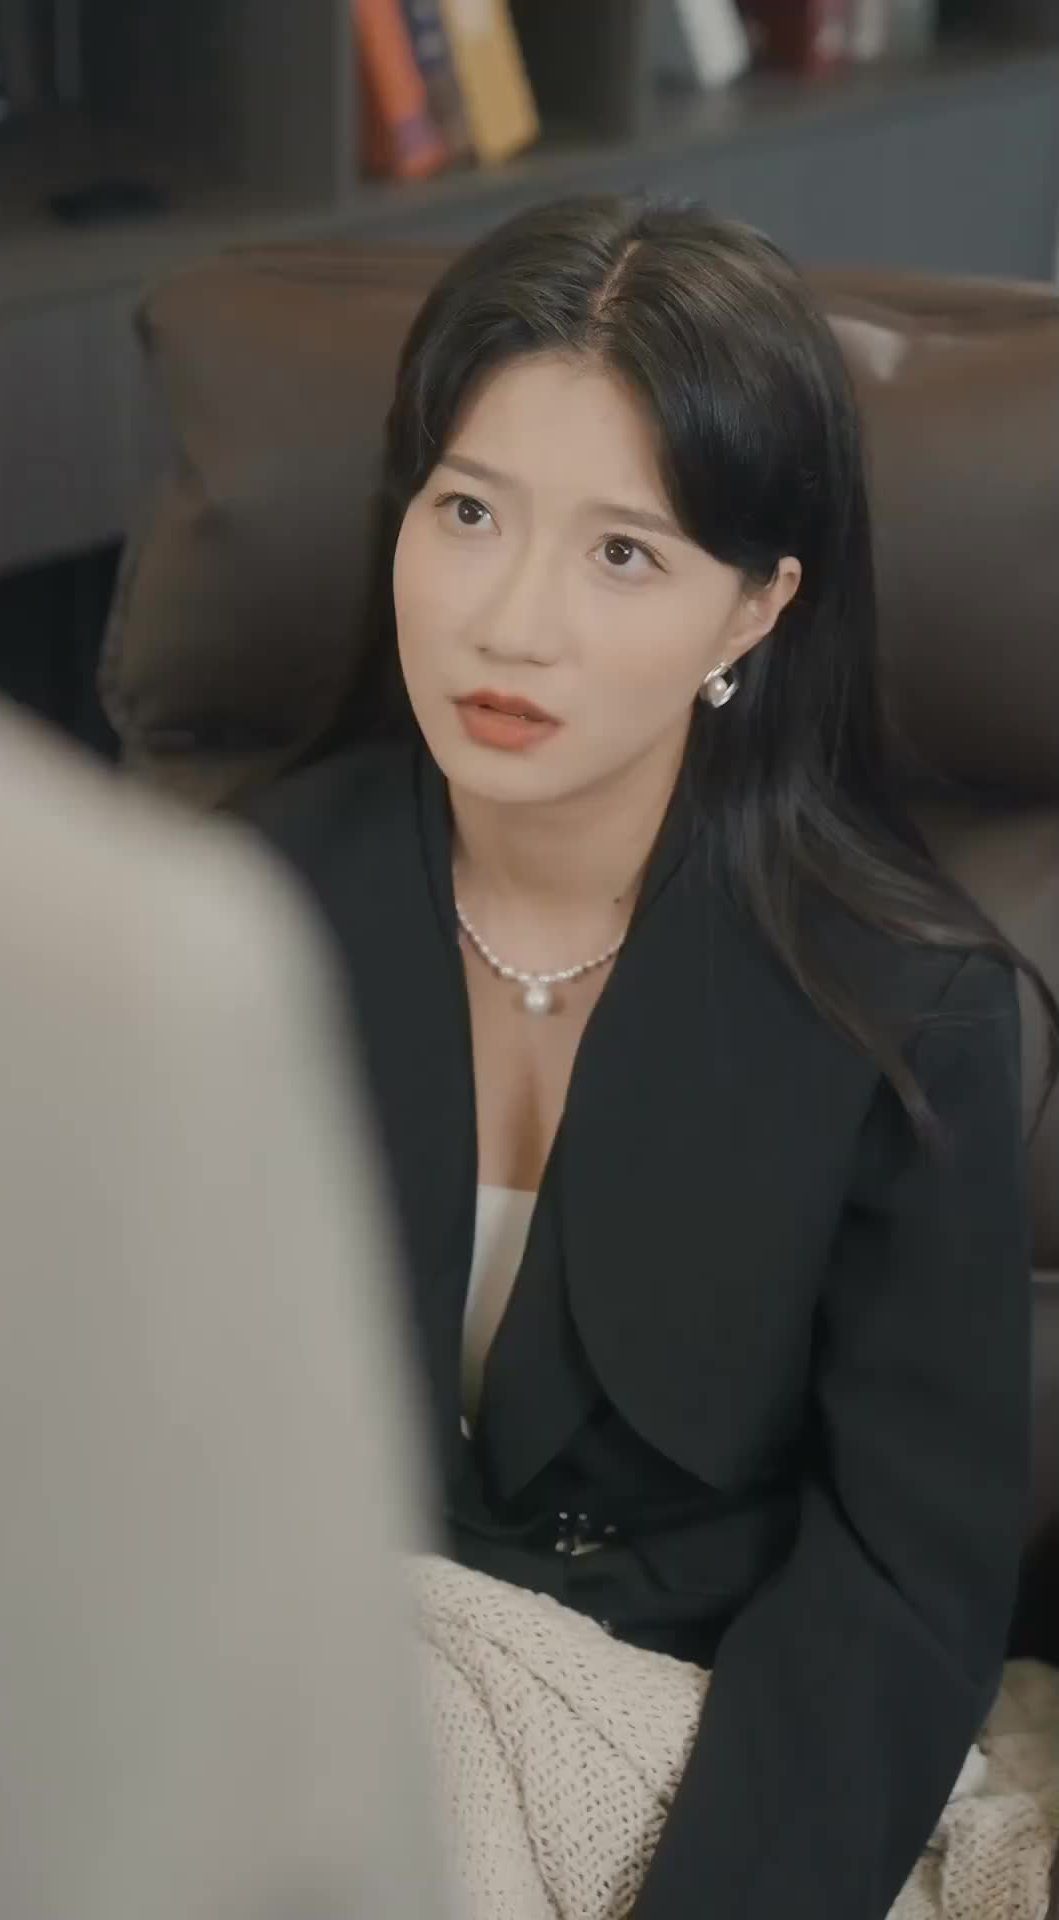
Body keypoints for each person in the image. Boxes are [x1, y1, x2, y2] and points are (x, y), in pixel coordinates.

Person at [245, 194, 1052, 1919]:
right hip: (297, 1709)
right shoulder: (227, 916)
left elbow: (904, 1575)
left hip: (695, 1760)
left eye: (624, 553)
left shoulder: (904, 1006)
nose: (510, 622)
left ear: (754, 612)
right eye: (469, 511)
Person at [0, 695, 448, 1920]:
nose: (517, 624)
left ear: (758, 613)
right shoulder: (202, 921)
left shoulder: (123, 960)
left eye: (621, 583)